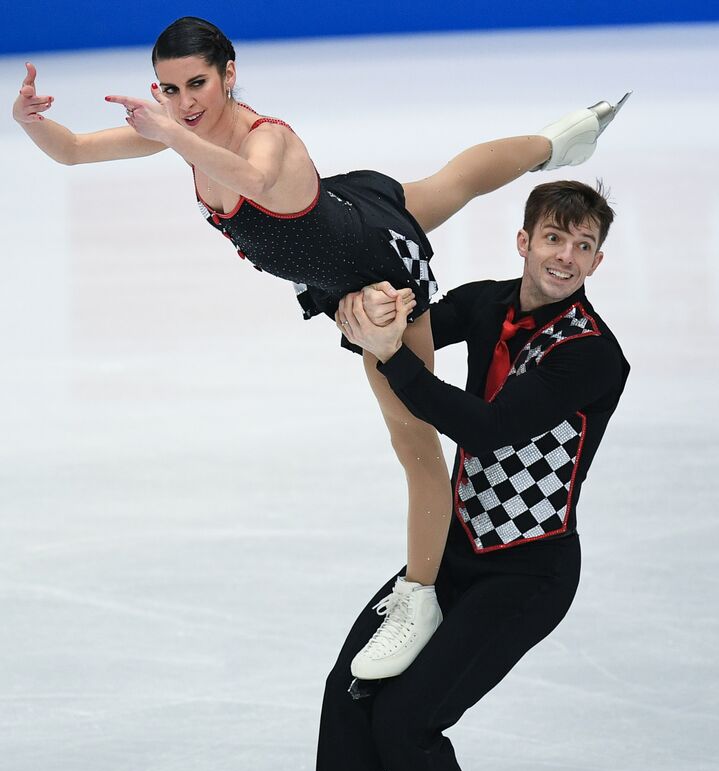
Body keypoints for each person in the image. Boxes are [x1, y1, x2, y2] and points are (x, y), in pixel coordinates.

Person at [12, 15, 628, 676]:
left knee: (412, 440)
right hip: (350, 212)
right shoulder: (186, 134)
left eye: (197, 83)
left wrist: (168, 134)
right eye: (168, 88)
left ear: (229, 74)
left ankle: (420, 597)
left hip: (376, 275)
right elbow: (73, 150)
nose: (185, 102)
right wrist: (31, 121)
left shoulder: (265, 140)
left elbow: (251, 178)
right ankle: (559, 141)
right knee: (452, 183)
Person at [260, 179, 631, 771]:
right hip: (451, 550)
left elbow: (487, 428)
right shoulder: (490, 304)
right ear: (524, 240)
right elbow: (416, 320)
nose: (565, 257)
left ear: (597, 257)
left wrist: (391, 357)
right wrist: (352, 294)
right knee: (348, 692)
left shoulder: (593, 355)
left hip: (525, 573)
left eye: (582, 246)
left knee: (407, 722)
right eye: (553, 239)